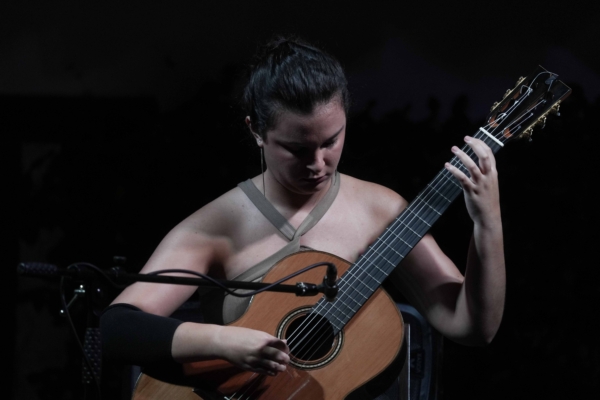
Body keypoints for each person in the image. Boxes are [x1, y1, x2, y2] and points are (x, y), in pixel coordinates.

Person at [100, 35, 505, 397]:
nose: (318, 163)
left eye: (331, 141)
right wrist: (226, 343)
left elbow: (469, 324)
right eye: (296, 148)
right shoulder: (214, 227)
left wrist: (488, 224)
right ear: (256, 131)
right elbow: (118, 329)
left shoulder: (380, 210)